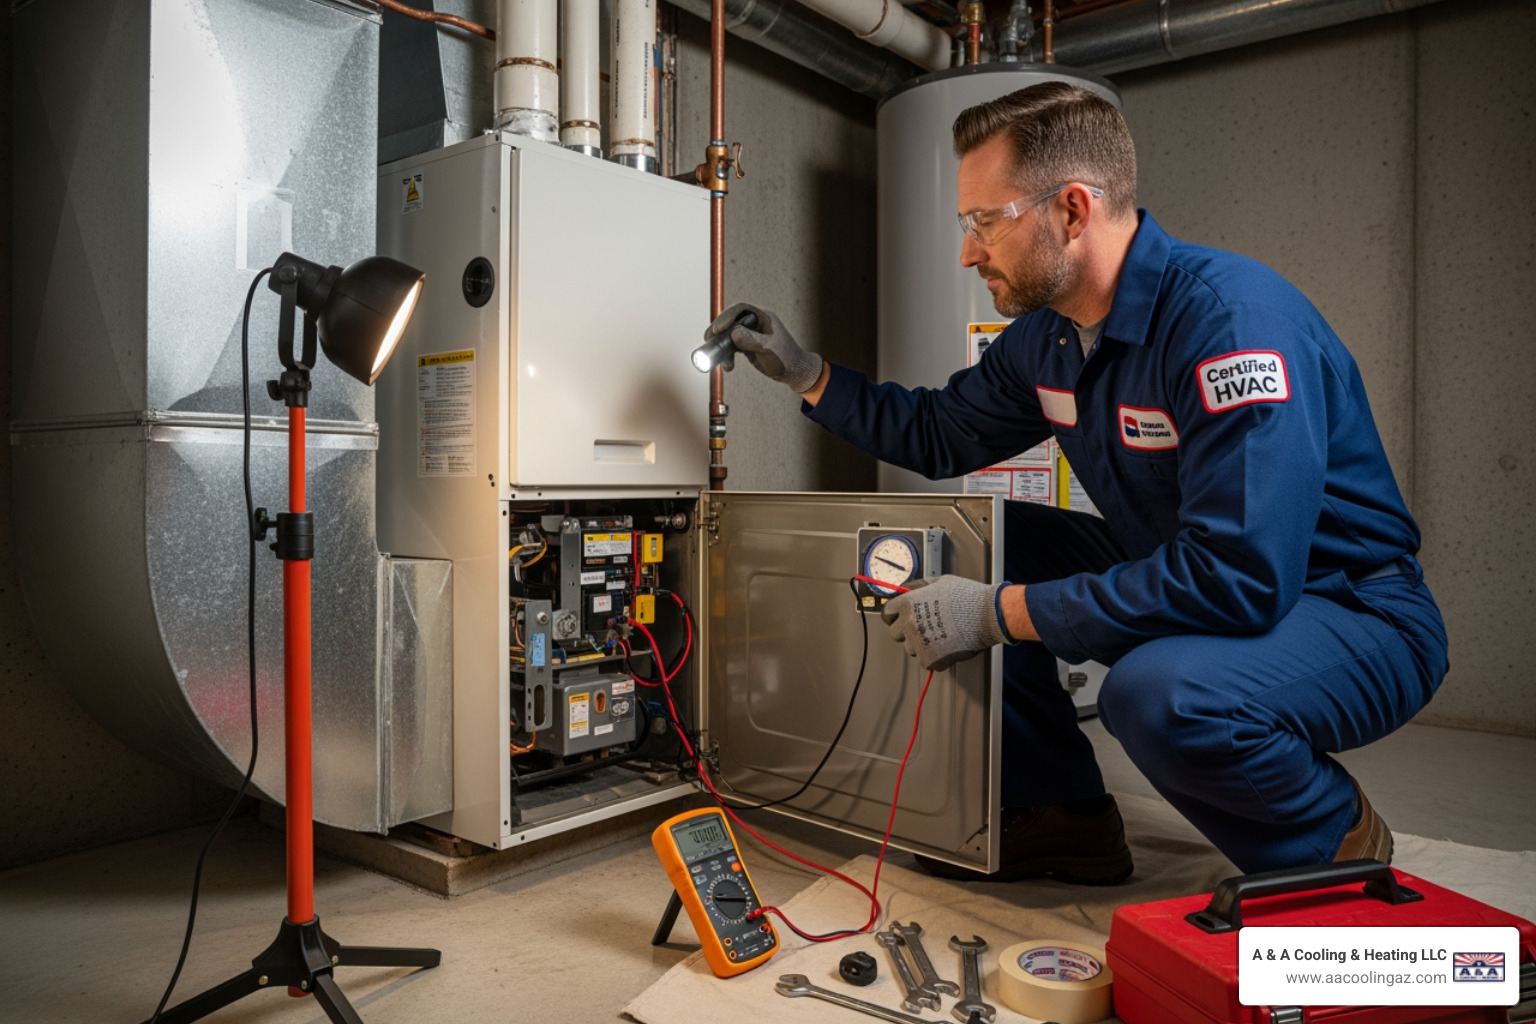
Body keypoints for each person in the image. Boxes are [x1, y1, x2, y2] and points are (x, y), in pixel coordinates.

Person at [700, 82, 1448, 882]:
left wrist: (1002, 613)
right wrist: (806, 373)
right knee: (979, 541)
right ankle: (1061, 815)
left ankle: (1334, 842)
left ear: (1073, 210)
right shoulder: (1049, 341)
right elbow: (938, 431)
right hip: (1183, 569)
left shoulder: (1229, 328)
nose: (968, 250)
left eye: (986, 221)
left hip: (1345, 606)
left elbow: (1242, 578)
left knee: (1158, 697)